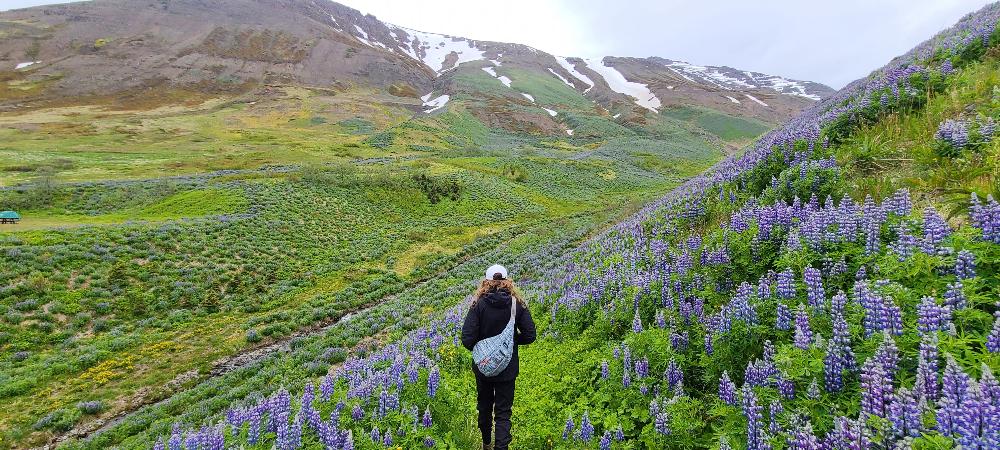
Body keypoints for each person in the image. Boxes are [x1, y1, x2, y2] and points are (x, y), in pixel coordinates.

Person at [461, 264, 536, 450]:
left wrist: (482, 349)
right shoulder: (516, 303)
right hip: (507, 368)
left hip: (483, 368)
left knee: (484, 408)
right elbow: (530, 335)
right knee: (503, 413)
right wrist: (509, 343)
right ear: (507, 281)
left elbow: (467, 339)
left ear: (486, 282)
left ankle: (486, 443)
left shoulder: (478, 304)